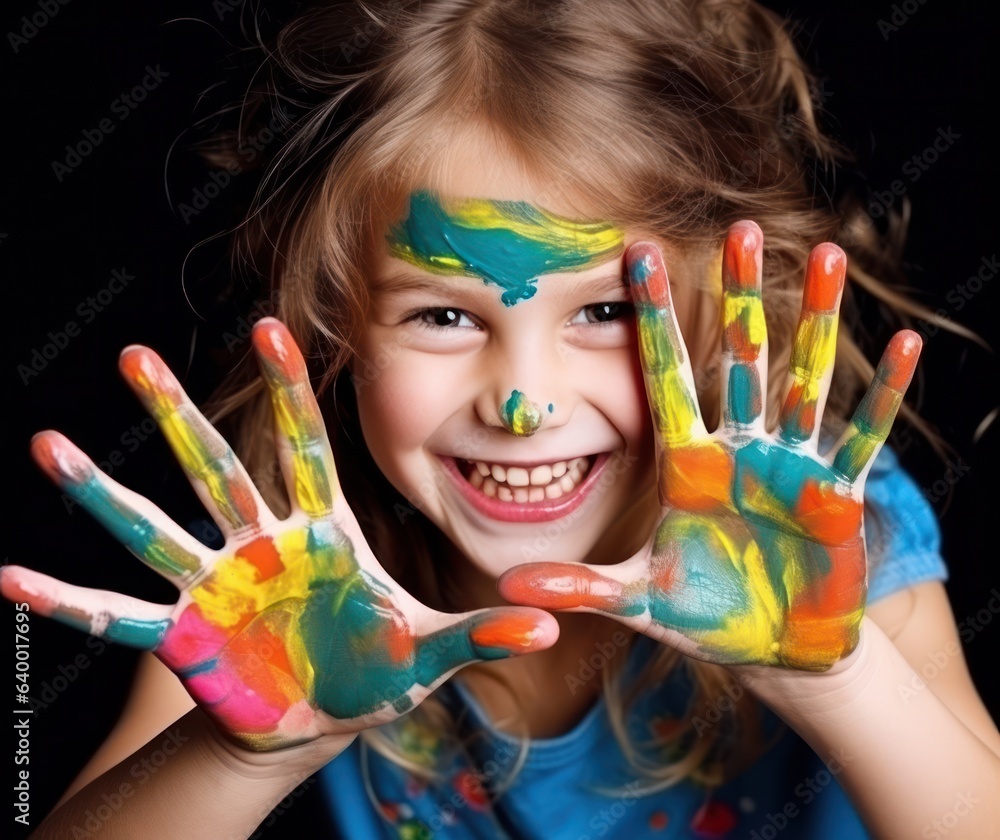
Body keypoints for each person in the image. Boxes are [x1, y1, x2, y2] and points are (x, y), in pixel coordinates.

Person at [5, 1, 999, 838]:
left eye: (605, 313)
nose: (522, 404)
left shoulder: (817, 539)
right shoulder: (285, 577)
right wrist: (242, 756)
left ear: (726, 316)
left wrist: (842, 681)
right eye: (443, 315)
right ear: (334, 327)